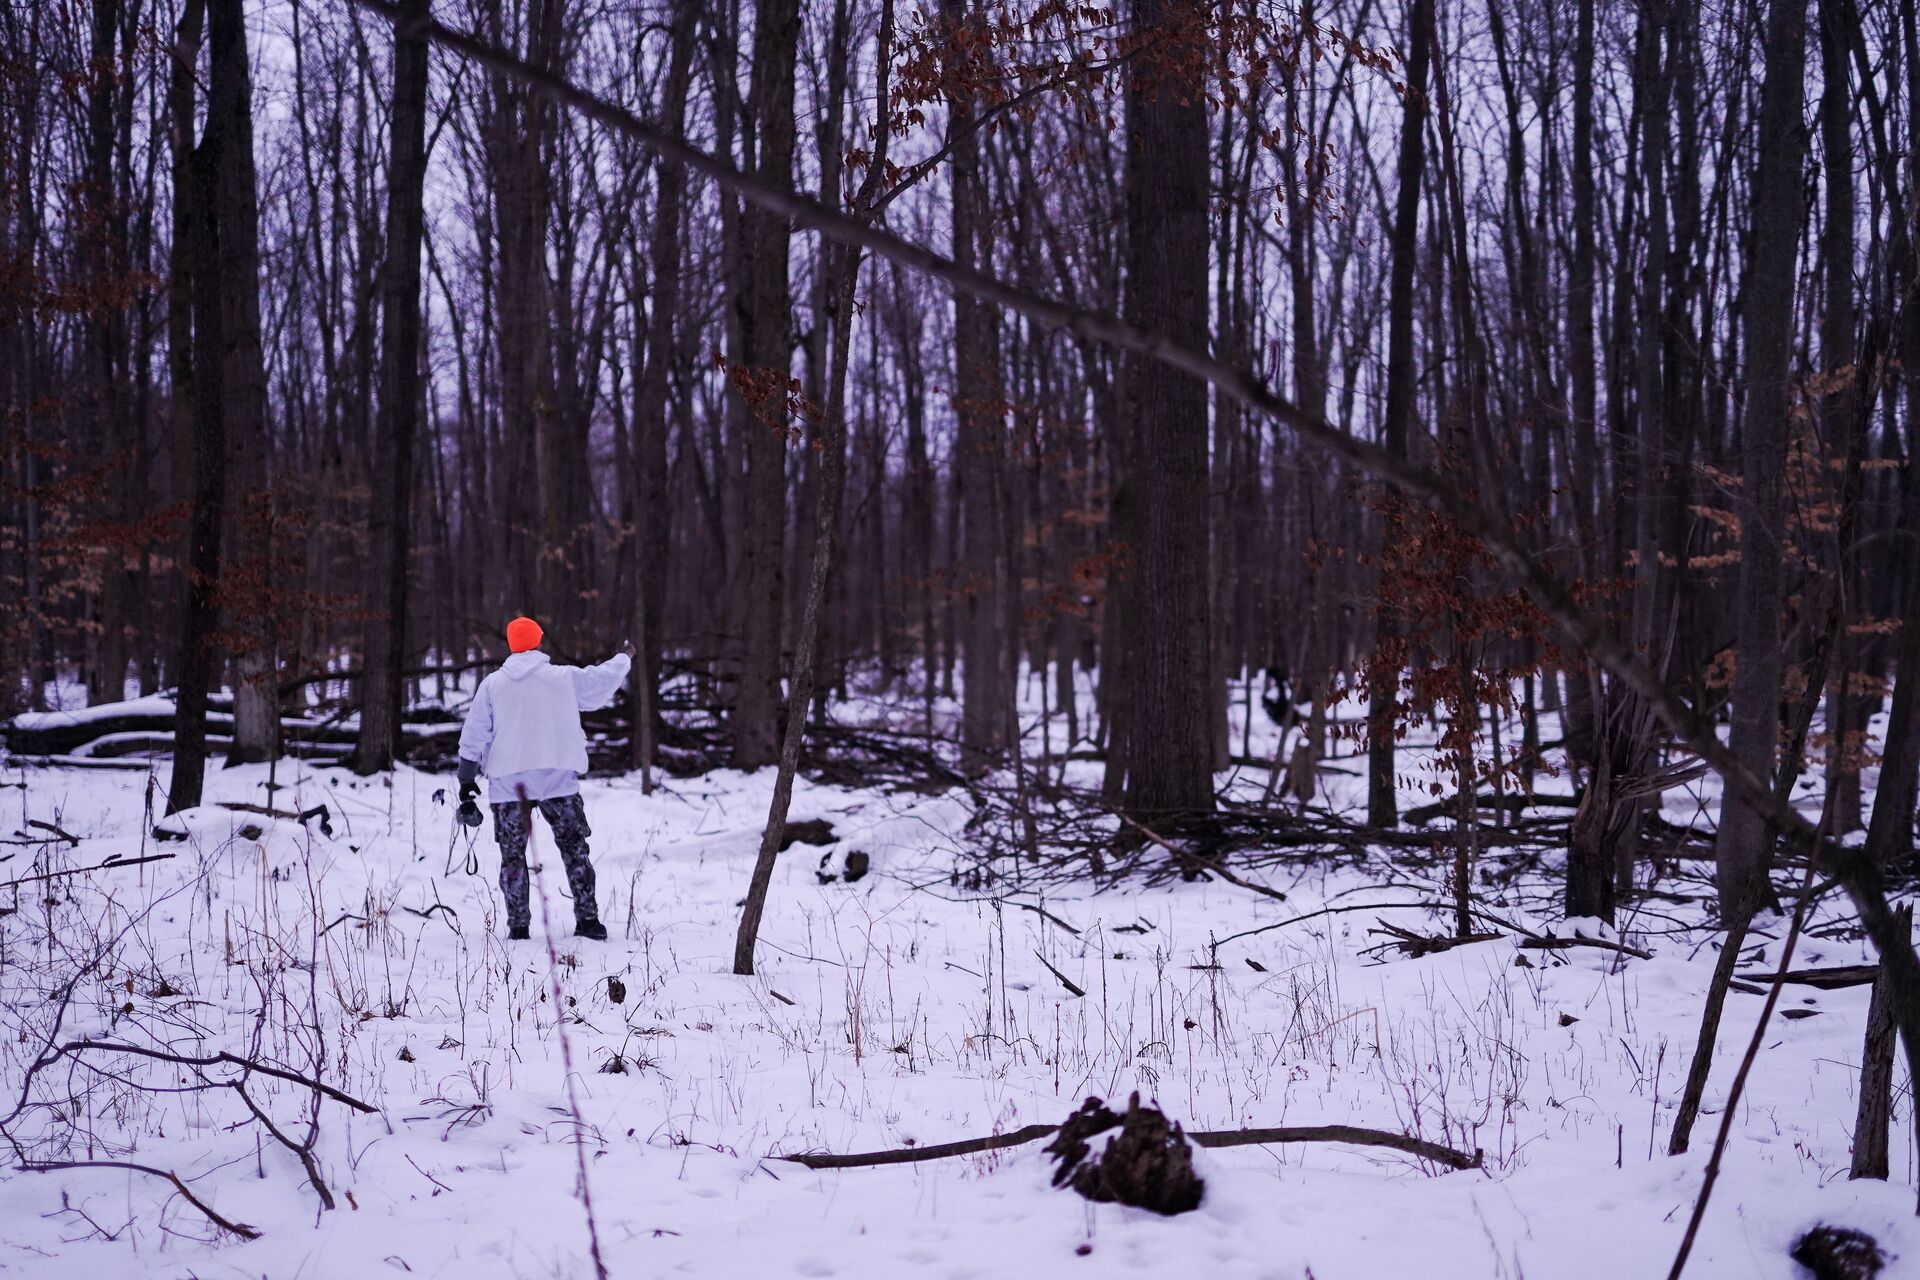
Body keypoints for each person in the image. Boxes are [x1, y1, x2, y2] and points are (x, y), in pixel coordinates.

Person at [456, 616, 630, 941]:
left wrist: (466, 779)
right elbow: (600, 681)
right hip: (558, 781)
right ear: (538, 641)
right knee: (574, 848)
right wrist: (624, 658)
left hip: (509, 785)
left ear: (511, 645)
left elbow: (474, 734)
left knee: (512, 856)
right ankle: (588, 920)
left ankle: (518, 927)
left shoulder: (493, 685)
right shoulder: (563, 679)